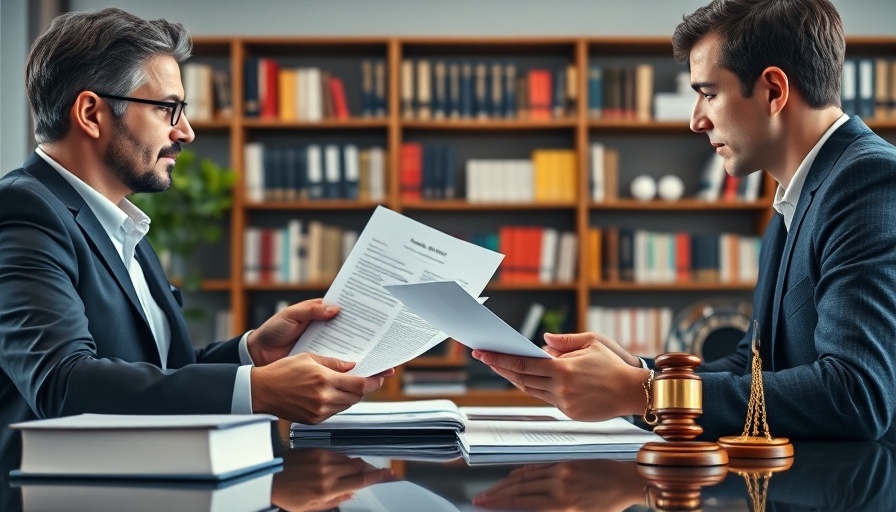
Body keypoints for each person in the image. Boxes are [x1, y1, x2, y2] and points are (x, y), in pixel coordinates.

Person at [473, 0, 896, 442]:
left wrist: (646, 393)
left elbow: (856, 394)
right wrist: (635, 371)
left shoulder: (870, 181)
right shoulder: (797, 195)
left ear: (773, 90)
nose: (696, 120)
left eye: (709, 94)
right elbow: (753, 367)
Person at [0, 7, 390, 461]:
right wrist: (255, 390)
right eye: (168, 108)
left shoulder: (123, 225)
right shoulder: (22, 211)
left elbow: (158, 372)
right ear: (91, 113)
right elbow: (63, 384)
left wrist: (251, 354)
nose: (185, 130)